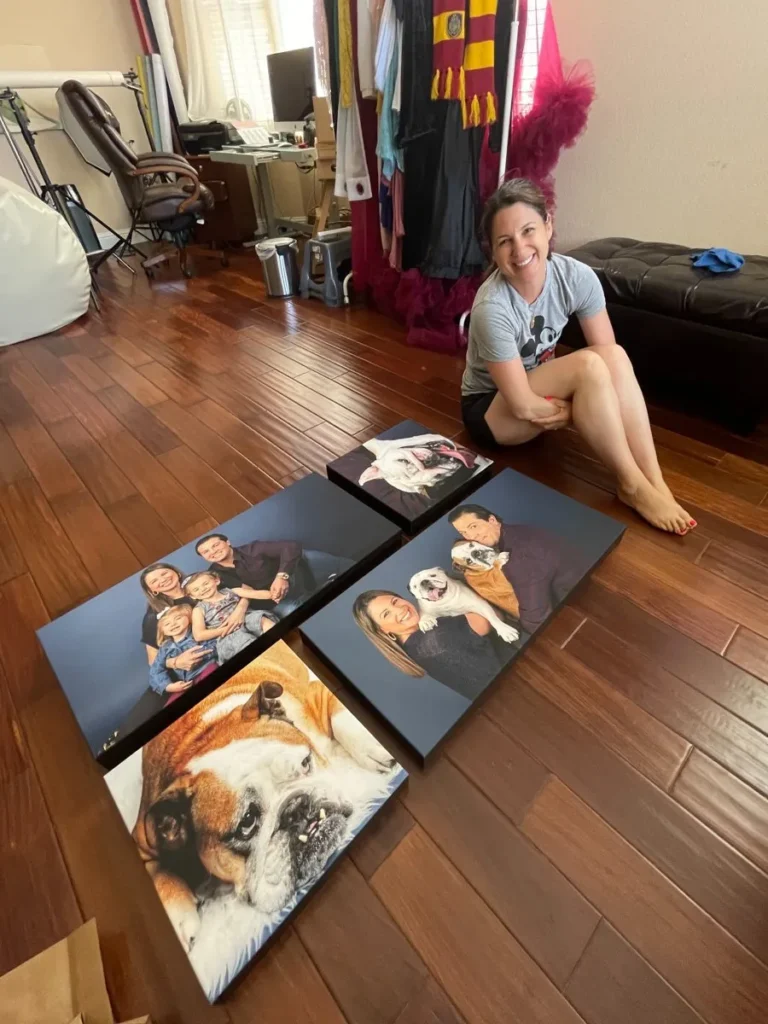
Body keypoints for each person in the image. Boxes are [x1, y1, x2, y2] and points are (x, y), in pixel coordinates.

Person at [461, 178, 696, 536]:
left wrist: (594, 400)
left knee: (611, 357)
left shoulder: (577, 277)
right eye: (504, 241)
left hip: (537, 388)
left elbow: (609, 357)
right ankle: (631, 485)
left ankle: (654, 480)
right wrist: (584, 410)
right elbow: (523, 404)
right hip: (492, 409)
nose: (519, 248)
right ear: (492, 252)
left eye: (528, 231)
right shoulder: (491, 307)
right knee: (587, 367)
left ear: (548, 226)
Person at [352, 589, 512, 700]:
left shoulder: (414, 647)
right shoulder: (435, 637)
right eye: (386, 614)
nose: (399, 609)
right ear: (382, 631)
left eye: (395, 601)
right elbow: (494, 617)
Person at [449, 504, 581, 635]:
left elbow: (536, 620)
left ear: (492, 520)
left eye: (473, 526)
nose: (472, 536)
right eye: (464, 533)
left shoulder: (516, 558)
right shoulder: (517, 532)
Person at [195, 533, 354, 619]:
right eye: (206, 552)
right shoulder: (214, 576)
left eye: (215, 545)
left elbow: (291, 546)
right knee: (294, 613)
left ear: (228, 542)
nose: (213, 552)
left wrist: (281, 576)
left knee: (309, 556)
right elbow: (242, 593)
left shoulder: (252, 549)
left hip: (292, 578)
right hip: (270, 602)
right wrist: (270, 595)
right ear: (203, 557)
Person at [184, 571, 276, 663]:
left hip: (246, 619)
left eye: (205, 583)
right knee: (244, 640)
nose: (202, 589)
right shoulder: (199, 609)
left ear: (216, 581)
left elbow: (258, 594)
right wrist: (228, 628)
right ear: (192, 596)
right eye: (196, 589)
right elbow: (199, 635)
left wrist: (274, 594)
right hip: (227, 635)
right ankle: (266, 661)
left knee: (260, 619)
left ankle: (279, 643)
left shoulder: (232, 591)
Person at [139, 563, 212, 678]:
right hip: (201, 659)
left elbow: (234, 593)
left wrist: (240, 609)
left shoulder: (201, 582)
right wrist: (176, 662)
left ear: (176, 572)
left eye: (164, 573)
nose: (163, 579)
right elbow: (153, 660)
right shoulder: (154, 615)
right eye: (154, 581)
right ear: (152, 590)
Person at [148, 606, 218, 705]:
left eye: (178, 618)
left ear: (189, 618)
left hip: (205, 669)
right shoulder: (165, 648)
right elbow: (155, 671)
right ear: (162, 630)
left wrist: (199, 655)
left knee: (212, 671)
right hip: (185, 683)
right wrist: (169, 686)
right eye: (167, 624)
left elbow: (215, 644)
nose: (173, 624)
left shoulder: (197, 634)